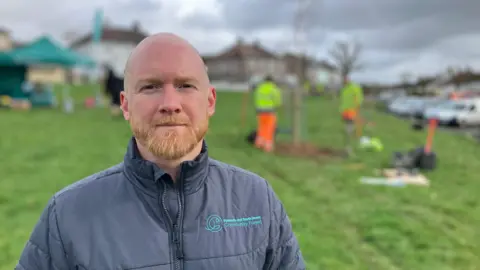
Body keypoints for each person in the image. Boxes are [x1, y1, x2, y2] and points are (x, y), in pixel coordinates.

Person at [16, 33, 305, 270]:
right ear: (125, 105)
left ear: (210, 101)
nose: (170, 103)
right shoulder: (66, 216)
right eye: (151, 87)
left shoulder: (258, 201)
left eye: (185, 85)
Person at [254, 75, 283, 152]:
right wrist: (278, 106)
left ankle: (259, 144)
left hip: (260, 111)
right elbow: (277, 100)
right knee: (269, 129)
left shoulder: (260, 88)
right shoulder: (274, 89)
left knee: (261, 128)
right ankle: (268, 147)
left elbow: (257, 99)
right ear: (272, 81)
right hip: (270, 111)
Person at [339, 75, 364, 156]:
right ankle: (348, 147)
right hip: (345, 112)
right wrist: (341, 110)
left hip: (352, 111)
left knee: (350, 129)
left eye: (346, 79)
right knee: (347, 129)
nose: (344, 81)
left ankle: (350, 148)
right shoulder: (344, 89)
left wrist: (357, 106)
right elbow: (343, 100)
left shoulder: (354, 87)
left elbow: (359, 98)